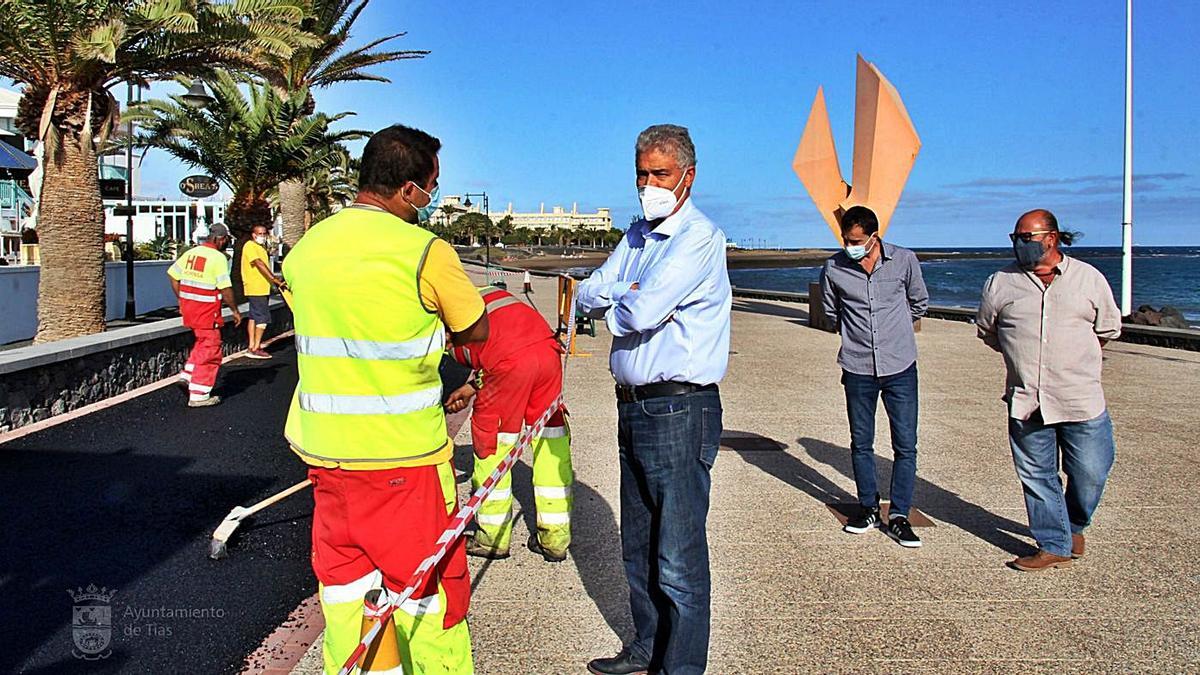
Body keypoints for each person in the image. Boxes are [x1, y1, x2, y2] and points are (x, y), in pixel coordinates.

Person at [282, 124, 488, 674]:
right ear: (407, 190)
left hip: (326, 460)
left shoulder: (306, 250)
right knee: (430, 600)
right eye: (431, 186)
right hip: (405, 465)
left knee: (346, 594)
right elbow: (475, 329)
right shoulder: (423, 250)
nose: (432, 198)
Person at [577, 124, 730, 675]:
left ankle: (681, 667)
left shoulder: (698, 238)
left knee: (678, 557)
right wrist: (623, 293)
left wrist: (620, 298)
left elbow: (637, 313)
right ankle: (646, 648)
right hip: (632, 403)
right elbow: (591, 292)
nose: (648, 185)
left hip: (679, 408)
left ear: (688, 177)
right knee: (636, 543)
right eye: (642, 174)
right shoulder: (638, 235)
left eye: (659, 174)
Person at [976, 208, 1121, 572]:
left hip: (1080, 399)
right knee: (1037, 476)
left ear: (1051, 239)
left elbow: (1107, 329)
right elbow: (989, 331)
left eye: (1026, 238)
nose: (1019, 245)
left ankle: (1073, 525)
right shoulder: (1000, 283)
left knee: (1090, 472)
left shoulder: (1088, 279)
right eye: (1015, 238)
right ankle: (1053, 544)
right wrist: (1024, 356)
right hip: (1027, 399)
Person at [819, 206, 929, 547]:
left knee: (905, 445)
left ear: (873, 238)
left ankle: (898, 516)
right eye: (845, 239)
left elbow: (919, 303)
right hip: (857, 367)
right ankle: (867, 507)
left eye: (856, 240)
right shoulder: (834, 268)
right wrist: (856, 333)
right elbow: (829, 312)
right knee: (861, 443)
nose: (849, 245)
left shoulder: (905, 260)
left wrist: (893, 333)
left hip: (900, 367)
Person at [442, 283, 573, 562]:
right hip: (547, 353)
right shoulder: (482, 295)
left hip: (509, 361)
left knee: (494, 441)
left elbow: (501, 359)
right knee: (551, 442)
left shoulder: (444, 313)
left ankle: (493, 537)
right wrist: (472, 387)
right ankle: (555, 538)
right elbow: (502, 350)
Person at [167, 223, 242, 407]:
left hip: (190, 308)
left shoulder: (192, 253)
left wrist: (182, 299)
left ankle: (188, 375)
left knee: (201, 342)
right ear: (221, 239)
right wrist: (234, 310)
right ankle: (199, 394)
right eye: (227, 240)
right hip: (207, 310)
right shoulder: (218, 258)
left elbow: (173, 275)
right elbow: (225, 288)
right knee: (211, 348)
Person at [240, 223, 287, 359]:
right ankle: (256, 347)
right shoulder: (250, 246)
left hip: (261, 287)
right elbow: (259, 263)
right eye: (260, 234)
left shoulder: (259, 247)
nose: (262, 236)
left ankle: (252, 345)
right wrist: (274, 279)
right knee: (262, 318)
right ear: (254, 235)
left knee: (254, 317)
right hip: (256, 288)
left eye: (264, 234)